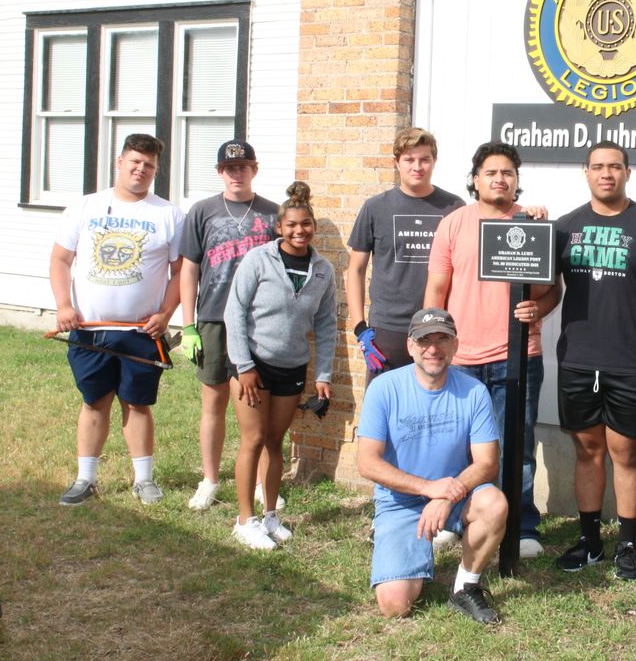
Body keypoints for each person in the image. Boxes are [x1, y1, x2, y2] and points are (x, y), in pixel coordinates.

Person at [551, 141, 636, 580]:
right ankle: (590, 542)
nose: (607, 174)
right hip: (579, 359)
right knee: (587, 450)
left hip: (634, 362)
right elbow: (547, 288)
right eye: (598, 167)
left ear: (628, 172)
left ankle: (626, 543)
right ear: (585, 172)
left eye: (615, 167)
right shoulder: (565, 228)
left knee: (625, 453)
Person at [424, 141, 555, 559]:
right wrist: (432, 339)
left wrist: (539, 308)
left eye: (508, 173)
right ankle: (454, 517)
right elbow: (436, 290)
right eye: (491, 172)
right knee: (455, 445)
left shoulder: (532, 224)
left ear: (516, 181)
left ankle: (521, 525)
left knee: (517, 444)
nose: (500, 179)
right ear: (476, 179)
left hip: (517, 355)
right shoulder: (454, 224)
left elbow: (554, 291)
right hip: (461, 358)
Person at [50, 133, 184, 506]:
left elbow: (180, 272)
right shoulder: (85, 208)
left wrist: (164, 314)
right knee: (94, 401)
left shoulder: (167, 214)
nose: (141, 170)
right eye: (135, 162)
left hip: (141, 331)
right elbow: (60, 260)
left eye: (149, 166)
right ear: (120, 163)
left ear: (156, 171)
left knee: (137, 402)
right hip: (89, 330)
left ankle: (144, 480)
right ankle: (85, 479)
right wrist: (63, 305)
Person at [356, 307, 508, 624]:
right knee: (394, 606)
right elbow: (367, 462)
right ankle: (408, 549)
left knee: (494, 503)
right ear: (410, 346)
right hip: (401, 501)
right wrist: (426, 488)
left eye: (442, 340)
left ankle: (466, 586)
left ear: (455, 346)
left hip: (454, 495)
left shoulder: (474, 392)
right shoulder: (384, 389)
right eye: (424, 340)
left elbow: (487, 463)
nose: (433, 349)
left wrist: (444, 495)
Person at [224, 182, 337, 549]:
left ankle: (270, 516)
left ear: (313, 227)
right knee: (253, 439)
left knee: (275, 442)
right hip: (252, 364)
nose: (298, 231)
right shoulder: (259, 260)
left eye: (305, 224)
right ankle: (245, 519)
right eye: (291, 225)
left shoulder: (323, 270)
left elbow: (325, 324)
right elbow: (235, 312)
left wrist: (322, 375)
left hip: (291, 366)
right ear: (279, 228)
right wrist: (243, 365)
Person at [179, 140, 280, 511]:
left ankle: (258, 483)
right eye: (229, 168)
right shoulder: (202, 211)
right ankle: (209, 479)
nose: (236, 174)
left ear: (255, 169)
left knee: (257, 405)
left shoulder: (272, 214)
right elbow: (189, 268)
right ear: (220, 172)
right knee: (214, 400)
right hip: (213, 316)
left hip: (258, 321)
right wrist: (188, 324)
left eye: (243, 167)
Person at [346, 127, 464, 382]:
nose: (417, 166)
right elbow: (355, 270)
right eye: (409, 159)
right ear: (396, 163)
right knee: (384, 411)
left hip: (438, 327)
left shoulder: (454, 207)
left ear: (434, 161)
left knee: (433, 409)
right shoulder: (375, 207)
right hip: (387, 331)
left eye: (424, 159)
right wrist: (360, 328)